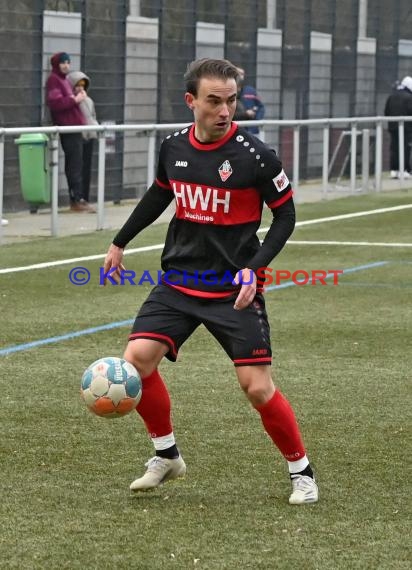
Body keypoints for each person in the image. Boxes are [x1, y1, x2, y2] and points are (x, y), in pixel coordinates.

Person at [103, 58, 318, 505]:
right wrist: (120, 241)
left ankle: (302, 473)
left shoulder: (256, 155)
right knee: (136, 362)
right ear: (191, 101)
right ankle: (166, 455)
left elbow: (286, 214)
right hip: (179, 280)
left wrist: (255, 267)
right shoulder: (173, 147)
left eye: (231, 101)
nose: (225, 111)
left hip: (232, 290)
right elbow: (161, 193)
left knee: (257, 388)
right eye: (214, 101)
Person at [45, 52, 94, 212]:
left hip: (75, 128)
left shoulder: (63, 80)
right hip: (68, 128)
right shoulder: (54, 80)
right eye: (63, 62)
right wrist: (75, 99)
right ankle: (76, 199)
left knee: (77, 164)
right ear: (57, 64)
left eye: (68, 62)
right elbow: (56, 103)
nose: (66, 65)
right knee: (74, 165)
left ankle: (79, 198)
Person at [67, 71, 99, 206]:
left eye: (82, 85)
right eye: (77, 85)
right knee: (77, 168)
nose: (80, 88)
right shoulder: (73, 101)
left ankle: (85, 197)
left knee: (87, 167)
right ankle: (77, 197)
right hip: (78, 136)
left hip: (90, 135)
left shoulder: (89, 101)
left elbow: (92, 116)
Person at [384, 75, 412, 179]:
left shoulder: (392, 96)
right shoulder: (409, 97)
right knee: (405, 148)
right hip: (406, 128)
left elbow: (386, 111)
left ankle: (394, 169)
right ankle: (404, 169)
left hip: (393, 127)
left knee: (394, 148)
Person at [233, 67, 265, 137]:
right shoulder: (229, 92)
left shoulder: (250, 91)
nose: (241, 76)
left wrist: (256, 123)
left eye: (242, 74)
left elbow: (260, 107)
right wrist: (246, 114)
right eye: (239, 74)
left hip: (252, 130)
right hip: (236, 131)